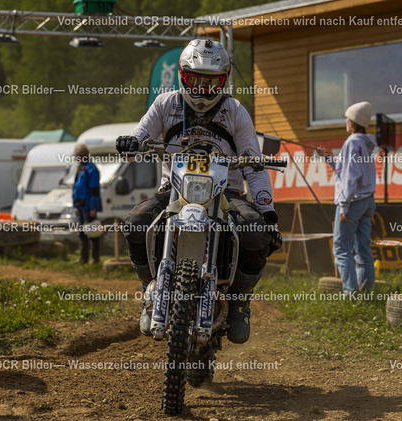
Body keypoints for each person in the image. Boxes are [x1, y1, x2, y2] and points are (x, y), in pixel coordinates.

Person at [116, 39, 281, 344]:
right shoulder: (165, 103)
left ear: (223, 80)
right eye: (196, 80)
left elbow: (254, 164)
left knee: (256, 232)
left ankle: (240, 301)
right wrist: (131, 142)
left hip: (226, 193)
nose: (203, 89)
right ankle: (149, 290)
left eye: (211, 82)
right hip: (174, 191)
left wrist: (267, 210)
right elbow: (141, 134)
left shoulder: (235, 110)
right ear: (183, 76)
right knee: (136, 223)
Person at [318, 102, 377, 293]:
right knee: (362, 248)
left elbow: (350, 177)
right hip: (367, 201)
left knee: (341, 249)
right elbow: (345, 169)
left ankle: (351, 294)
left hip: (353, 202)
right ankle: (365, 292)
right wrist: (328, 158)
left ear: (353, 122)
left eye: (348, 118)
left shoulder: (352, 143)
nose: (346, 121)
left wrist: (344, 207)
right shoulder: (365, 143)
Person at [72, 144, 102, 264]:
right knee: (81, 233)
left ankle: (95, 259)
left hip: (89, 206)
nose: (76, 159)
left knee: (92, 232)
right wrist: (75, 206)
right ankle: (83, 258)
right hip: (80, 206)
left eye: (77, 156)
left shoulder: (91, 169)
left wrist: (93, 208)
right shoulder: (80, 168)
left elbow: (94, 190)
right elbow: (75, 187)